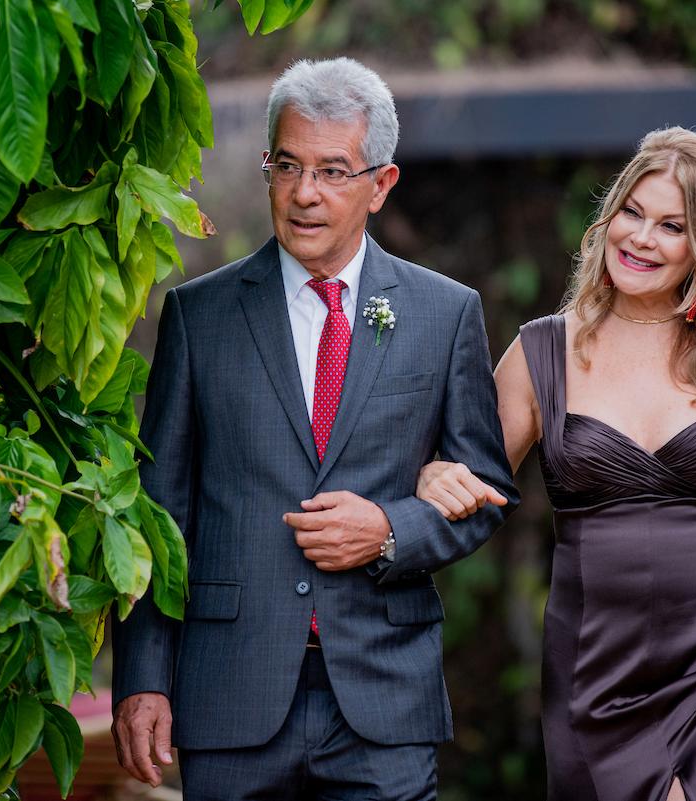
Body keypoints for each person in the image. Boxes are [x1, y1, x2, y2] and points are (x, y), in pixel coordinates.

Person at [110, 58, 518, 801]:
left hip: (382, 700)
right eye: (288, 165)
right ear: (266, 167)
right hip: (229, 694)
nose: (305, 193)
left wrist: (391, 531)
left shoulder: (443, 312)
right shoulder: (199, 317)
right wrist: (143, 679)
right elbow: (157, 514)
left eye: (333, 170)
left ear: (380, 184)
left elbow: (486, 490)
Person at [416, 127, 696, 801]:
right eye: (632, 212)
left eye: (671, 225)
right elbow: (471, 478)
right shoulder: (541, 352)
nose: (640, 237)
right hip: (596, 677)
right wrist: (433, 475)